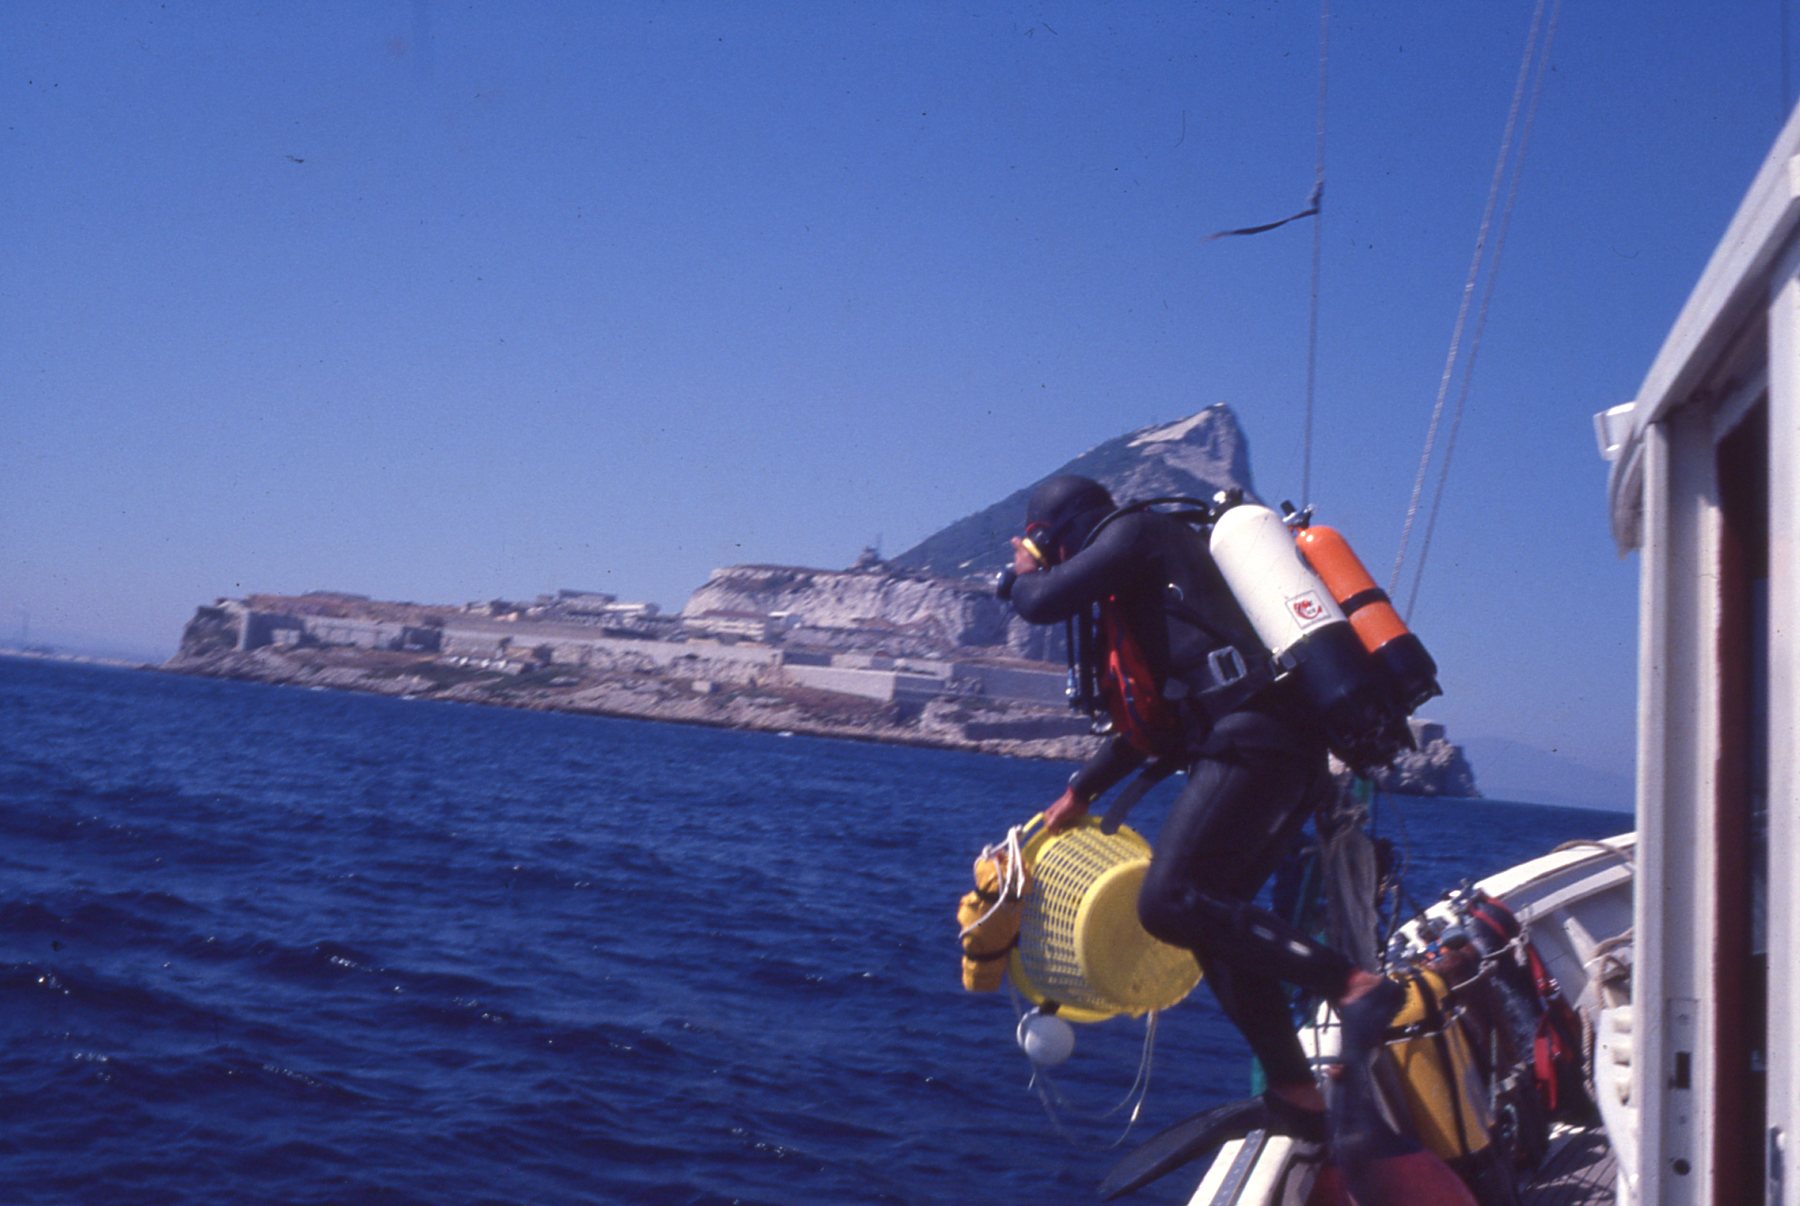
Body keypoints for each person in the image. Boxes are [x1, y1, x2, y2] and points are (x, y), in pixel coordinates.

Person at [997, 474, 1401, 1140]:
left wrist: (1020, 572)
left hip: (1256, 740)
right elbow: (1158, 722)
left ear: (1055, 532)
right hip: (1269, 743)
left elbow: (1040, 603)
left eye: (1042, 541)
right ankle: (1297, 1094)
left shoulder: (1135, 533)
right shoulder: (1148, 580)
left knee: (1168, 901)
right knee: (1212, 925)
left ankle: (1354, 986)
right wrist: (1080, 792)